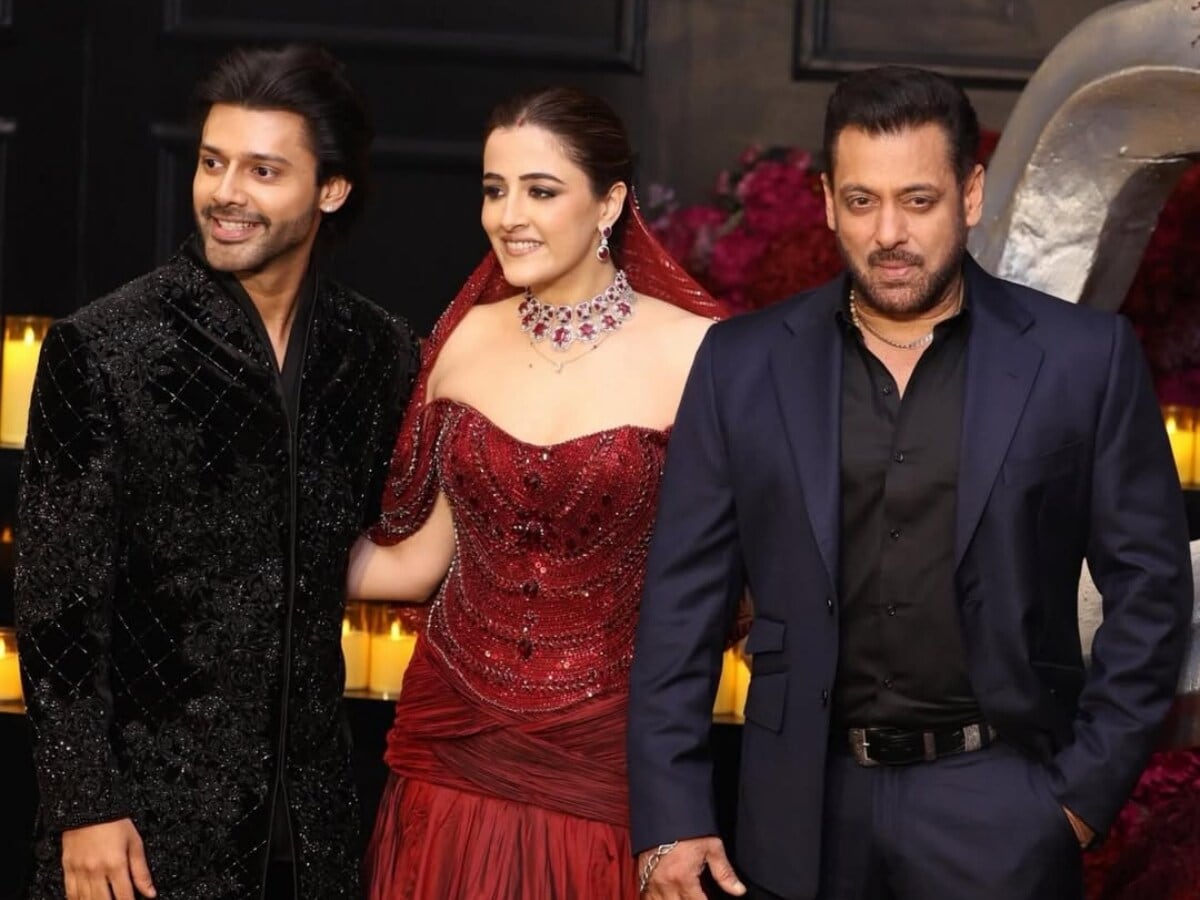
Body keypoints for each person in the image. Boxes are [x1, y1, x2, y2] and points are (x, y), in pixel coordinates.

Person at [627, 65, 1193, 900]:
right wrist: (672, 812)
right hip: (797, 812)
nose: (888, 232)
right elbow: (681, 603)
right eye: (862, 201)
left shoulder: (1082, 360)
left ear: (971, 194)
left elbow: (1152, 592)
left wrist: (1075, 801)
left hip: (1001, 805)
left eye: (918, 200)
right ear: (828, 201)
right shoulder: (742, 365)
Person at [15, 45, 417, 900]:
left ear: (330, 189)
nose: (225, 192)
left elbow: (389, 544)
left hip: (312, 825)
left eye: (263, 170)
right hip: (138, 831)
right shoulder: (105, 347)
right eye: (212, 162)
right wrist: (83, 805)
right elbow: (55, 603)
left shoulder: (376, 353)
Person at [345, 86, 728, 899]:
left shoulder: (700, 353)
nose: (508, 216)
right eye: (495, 189)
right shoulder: (464, 338)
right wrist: (261, 550)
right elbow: (419, 562)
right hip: (448, 753)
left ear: (610, 203)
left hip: (603, 761)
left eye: (541, 190)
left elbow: (740, 580)